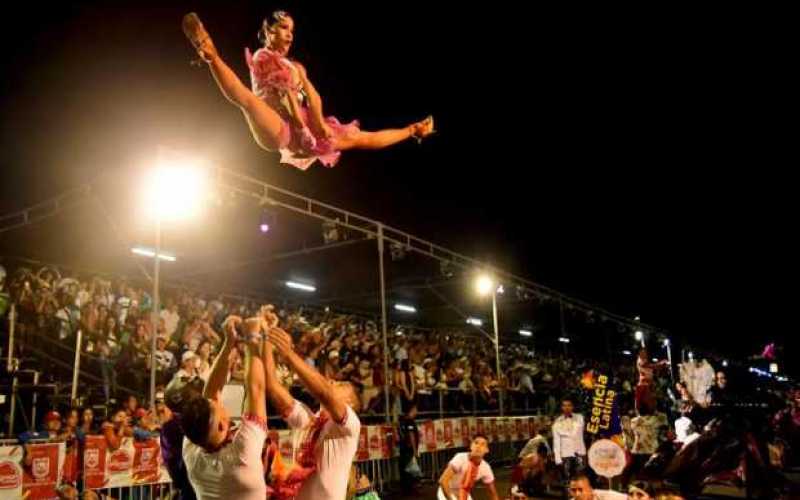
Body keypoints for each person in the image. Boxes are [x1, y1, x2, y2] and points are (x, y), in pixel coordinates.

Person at [181, 11, 434, 171]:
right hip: (276, 125)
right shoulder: (262, 56)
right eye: (283, 28)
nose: (289, 34)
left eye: (291, 30)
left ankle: (412, 130)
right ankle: (210, 52)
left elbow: (313, 97)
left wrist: (318, 124)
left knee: (360, 138)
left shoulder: (297, 67)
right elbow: (274, 93)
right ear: (269, 31)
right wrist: (301, 127)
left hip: (302, 130)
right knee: (246, 99)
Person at [264, 322, 362, 499]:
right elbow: (272, 386)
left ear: (350, 404)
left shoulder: (351, 424)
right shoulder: (309, 421)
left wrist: (288, 354)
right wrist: (267, 342)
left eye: (340, 385)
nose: (332, 382)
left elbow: (324, 392)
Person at [181, 315, 268, 500]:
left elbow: (210, 394)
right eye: (219, 406)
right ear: (221, 426)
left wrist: (229, 343)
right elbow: (256, 390)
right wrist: (253, 338)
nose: (218, 399)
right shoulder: (242, 452)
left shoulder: (192, 450)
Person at [437, 434, 499, 500]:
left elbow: (492, 492)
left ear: (487, 450)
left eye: (482, 444)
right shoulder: (460, 458)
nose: (478, 446)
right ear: (471, 446)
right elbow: (443, 481)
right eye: (476, 443)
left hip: (464, 492)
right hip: (447, 490)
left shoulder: (486, 468)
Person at [552, 398, 587, 483]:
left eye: (569, 405)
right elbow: (556, 441)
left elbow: (578, 431)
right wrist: (557, 458)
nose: (567, 408)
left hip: (579, 452)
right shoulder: (557, 422)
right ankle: (569, 496)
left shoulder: (579, 418)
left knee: (580, 478)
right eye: (564, 405)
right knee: (567, 480)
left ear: (572, 407)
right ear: (561, 407)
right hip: (565, 453)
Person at [398, 403, 421, 493]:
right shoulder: (410, 421)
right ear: (411, 410)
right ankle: (410, 488)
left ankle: (405, 488)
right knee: (410, 468)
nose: (416, 411)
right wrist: (415, 450)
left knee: (404, 468)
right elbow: (411, 436)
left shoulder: (402, 420)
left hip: (402, 448)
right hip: (408, 448)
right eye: (415, 409)